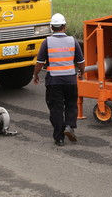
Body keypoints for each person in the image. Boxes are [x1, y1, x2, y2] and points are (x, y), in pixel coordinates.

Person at [33, 13, 85, 146]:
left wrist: (36, 74)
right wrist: (81, 72)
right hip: (70, 80)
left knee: (56, 108)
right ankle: (69, 126)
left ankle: (59, 137)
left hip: (54, 81)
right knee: (71, 104)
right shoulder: (73, 41)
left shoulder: (47, 42)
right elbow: (81, 62)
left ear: (51, 27)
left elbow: (39, 62)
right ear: (64, 26)